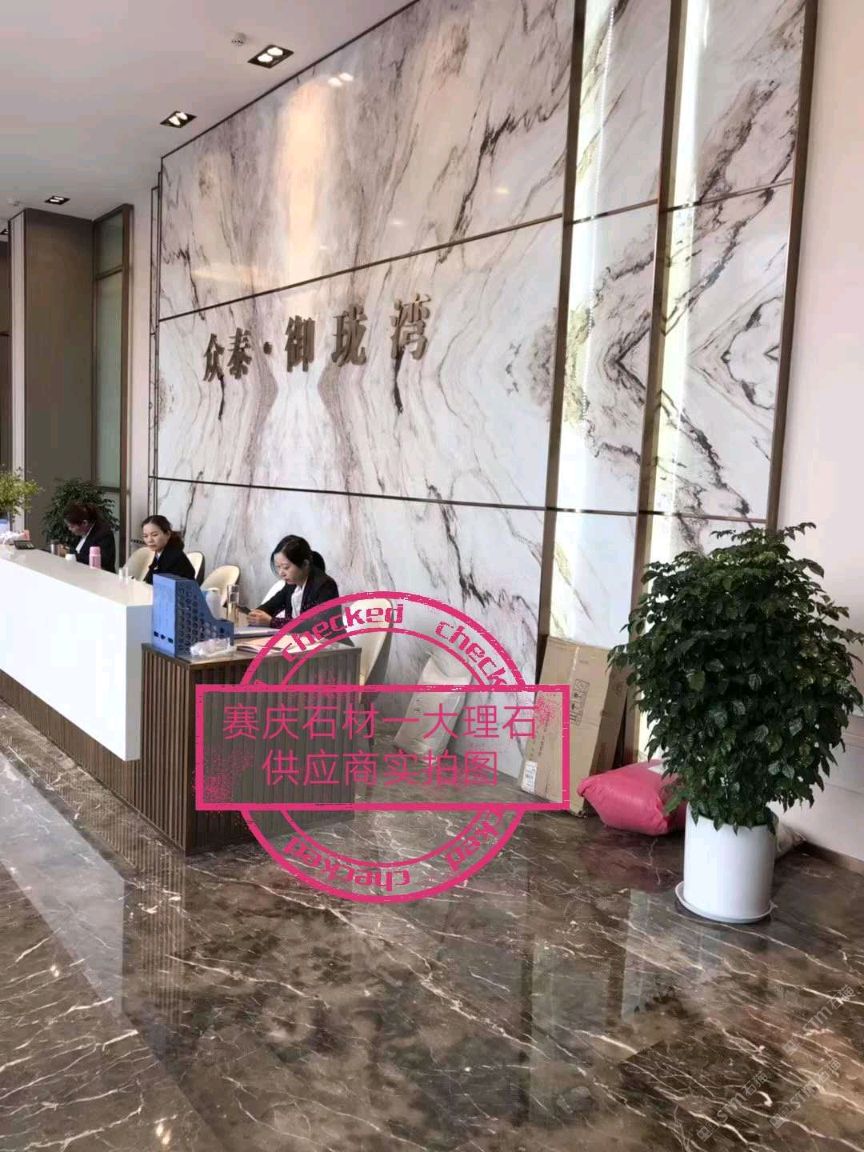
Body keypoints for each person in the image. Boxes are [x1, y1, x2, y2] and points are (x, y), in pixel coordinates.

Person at [248, 535, 343, 633]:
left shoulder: (325, 585)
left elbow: (316, 625)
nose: (281, 573)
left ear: (305, 564)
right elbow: (271, 606)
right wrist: (255, 615)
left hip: (329, 642)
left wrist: (272, 622)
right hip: (297, 640)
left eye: (286, 567)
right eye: (278, 567)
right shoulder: (292, 584)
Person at [141, 515, 196, 584]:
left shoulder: (175, 557)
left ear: (167, 534)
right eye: (145, 536)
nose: (149, 540)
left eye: (154, 535)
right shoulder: (159, 552)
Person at [64, 502, 116, 573]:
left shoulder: (104, 534)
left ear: (84, 523)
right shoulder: (81, 532)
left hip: (99, 576)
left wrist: (71, 555)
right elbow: (75, 550)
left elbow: (102, 561)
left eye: (72, 526)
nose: (69, 529)